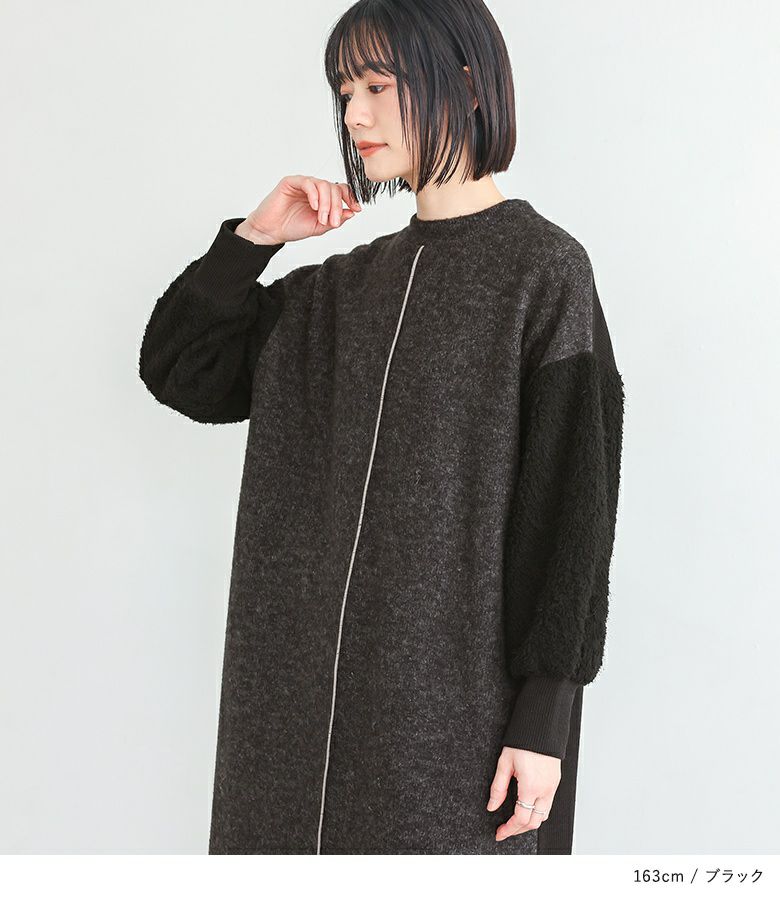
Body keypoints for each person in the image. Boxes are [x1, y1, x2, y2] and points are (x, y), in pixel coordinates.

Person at [139, 0, 624, 855]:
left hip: (452, 733)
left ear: (464, 83)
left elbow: (573, 519)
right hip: (288, 735)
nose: (354, 115)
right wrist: (254, 240)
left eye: (376, 85)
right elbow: (183, 369)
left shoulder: (544, 275)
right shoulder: (337, 294)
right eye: (343, 91)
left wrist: (545, 719)